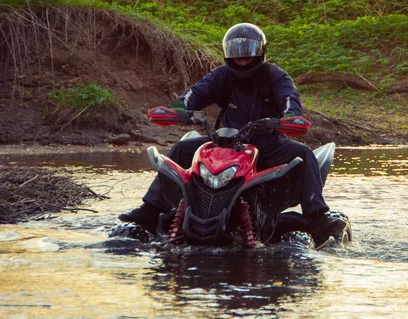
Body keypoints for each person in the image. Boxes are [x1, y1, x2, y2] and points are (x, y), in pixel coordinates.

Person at [118, 23, 343, 236]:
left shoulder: (275, 75)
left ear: (260, 51)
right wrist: (178, 108)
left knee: (303, 154)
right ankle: (150, 210)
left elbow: (289, 97)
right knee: (181, 149)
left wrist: (291, 117)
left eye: (248, 50)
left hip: (266, 142)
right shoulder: (221, 75)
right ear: (227, 51)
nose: (242, 57)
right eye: (236, 50)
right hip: (226, 142)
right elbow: (196, 92)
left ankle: (317, 215)